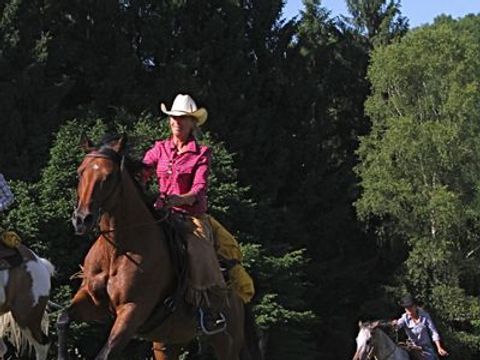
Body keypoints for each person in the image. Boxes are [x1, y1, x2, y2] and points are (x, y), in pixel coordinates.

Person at [142, 94, 254, 334]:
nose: (176, 122)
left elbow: (199, 189)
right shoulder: (159, 149)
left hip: (191, 217)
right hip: (162, 214)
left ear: (193, 123)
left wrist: (180, 199)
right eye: (173, 118)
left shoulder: (201, 153)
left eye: (182, 119)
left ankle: (208, 309)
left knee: (198, 251)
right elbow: (144, 170)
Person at [392, 293, 448, 359]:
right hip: (412, 347)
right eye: (406, 308)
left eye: (410, 307)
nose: (408, 310)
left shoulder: (425, 316)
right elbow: (398, 325)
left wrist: (439, 348)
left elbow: (433, 332)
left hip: (426, 349)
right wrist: (394, 324)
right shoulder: (404, 318)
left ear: (415, 306)